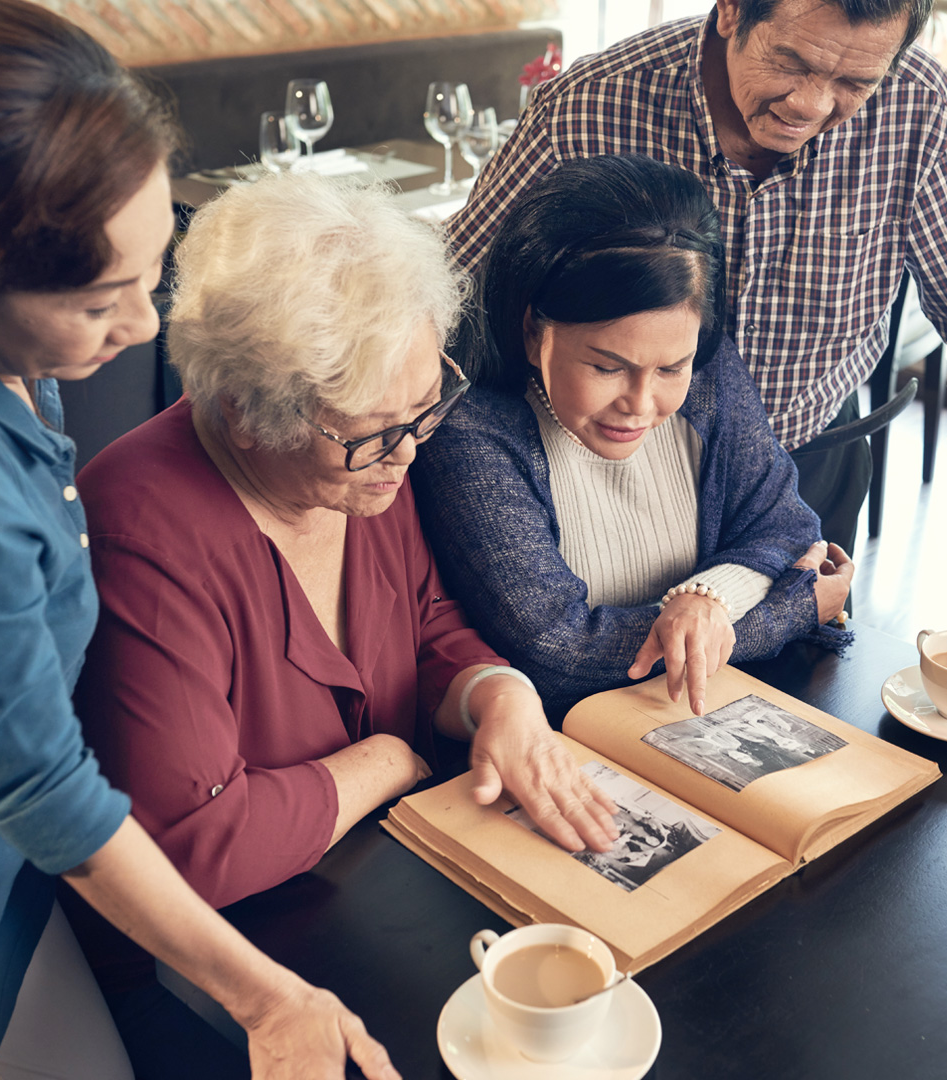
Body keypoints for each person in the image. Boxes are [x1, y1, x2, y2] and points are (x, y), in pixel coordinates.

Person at [0, 4, 401, 1079]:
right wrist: (269, 1002)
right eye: (97, 301)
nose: (143, 326)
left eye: (152, 265)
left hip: (9, 904)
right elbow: (45, 794)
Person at [63, 171, 621, 1078]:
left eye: (423, 408)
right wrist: (390, 760)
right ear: (245, 413)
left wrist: (500, 695)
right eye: (372, 432)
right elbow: (191, 848)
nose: (408, 453)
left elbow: (429, 618)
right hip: (207, 977)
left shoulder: (362, 461)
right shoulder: (141, 533)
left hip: (363, 893)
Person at [445, 0, 947, 558]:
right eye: (790, 61)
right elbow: (455, 292)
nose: (811, 105)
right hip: (593, 471)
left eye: (854, 82)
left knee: (802, 640)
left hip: (807, 461)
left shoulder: (926, 112)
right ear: (731, 11)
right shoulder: (590, 105)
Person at [413, 155, 853, 723]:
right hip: (559, 741)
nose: (642, 406)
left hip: (707, 712)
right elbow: (557, 651)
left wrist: (706, 602)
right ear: (530, 331)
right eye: (607, 367)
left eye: (671, 368)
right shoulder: (472, 428)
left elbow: (789, 531)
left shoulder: (710, 375)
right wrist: (792, 609)